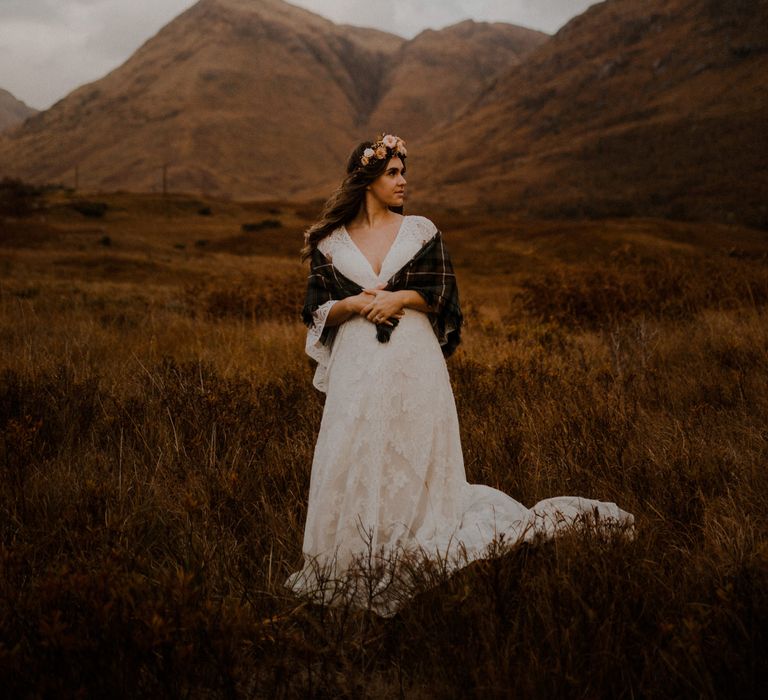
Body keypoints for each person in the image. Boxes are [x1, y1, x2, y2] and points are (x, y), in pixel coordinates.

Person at [284, 133, 634, 617]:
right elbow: (315, 309)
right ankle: (354, 552)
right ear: (367, 180)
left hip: (413, 359)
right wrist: (358, 302)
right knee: (356, 448)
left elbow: (445, 298)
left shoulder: (421, 232)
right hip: (358, 367)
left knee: (413, 449)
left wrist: (399, 298)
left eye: (404, 172)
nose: (403, 181)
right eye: (393, 173)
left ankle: (415, 541)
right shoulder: (329, 243)